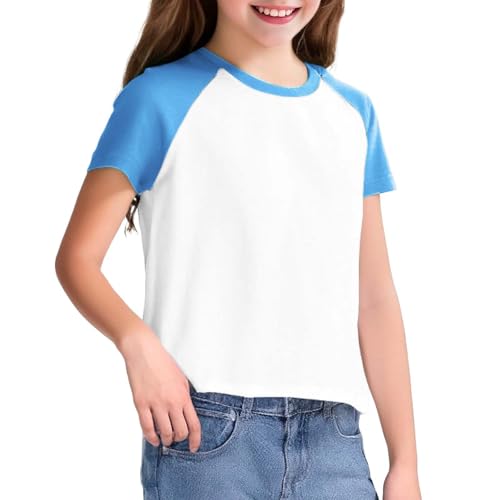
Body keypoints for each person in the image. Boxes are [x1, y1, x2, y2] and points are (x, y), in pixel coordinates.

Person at [55, 1, 422, 499]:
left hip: (334, 441)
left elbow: (375, 298)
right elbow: (77, 259)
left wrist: (405, 463)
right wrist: (138, 345)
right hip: (205, 435)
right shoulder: (159, 98)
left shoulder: (353, 114)